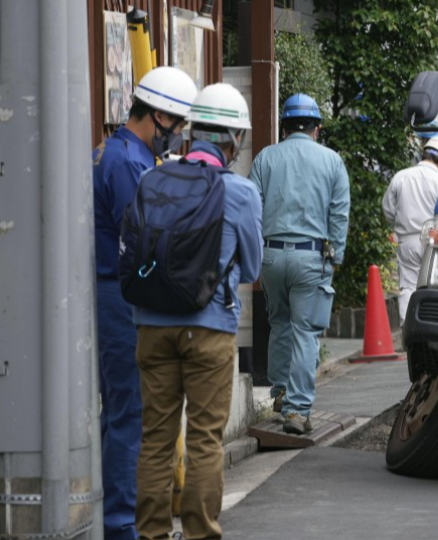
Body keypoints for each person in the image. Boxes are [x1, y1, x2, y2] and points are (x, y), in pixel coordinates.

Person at [131, 83, 262, 540]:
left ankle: (149, 533)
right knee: (205, 439)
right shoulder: (240, 192)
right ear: (234, 140)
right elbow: (253, 265)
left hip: (151, 325)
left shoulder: (151, 178)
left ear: (190, 133)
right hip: (210, 329)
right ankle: (200, 533)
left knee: (156, 437)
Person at [92, 65, 197, 540]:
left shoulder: (115, 153)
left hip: (112, 291)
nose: (176, 138)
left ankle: (112, 519)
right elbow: (144, 240)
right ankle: (121, 526)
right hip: (119, 296)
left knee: (118, 414)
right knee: (129, 413)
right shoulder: (126, 163)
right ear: (156, 116)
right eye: (175, 127)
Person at [250, 93, 350, 435]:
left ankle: (279, 391)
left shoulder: (266, 158)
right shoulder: (332, 162)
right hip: (312, 257)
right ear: (317, 129)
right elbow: (339, 214)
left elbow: (252, 208)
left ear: (284, 126)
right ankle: (296, 410)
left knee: (279, 323)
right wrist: (334, 256)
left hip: (272, 255)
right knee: (306, 332)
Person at [382, 136, 438, 325]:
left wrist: (399, 224)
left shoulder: (401, 176)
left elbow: (388, 209)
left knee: (408, 285)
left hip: (407, 239)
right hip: (434, 237)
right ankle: (432, 325)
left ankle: (408, 327)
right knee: (434, 283)